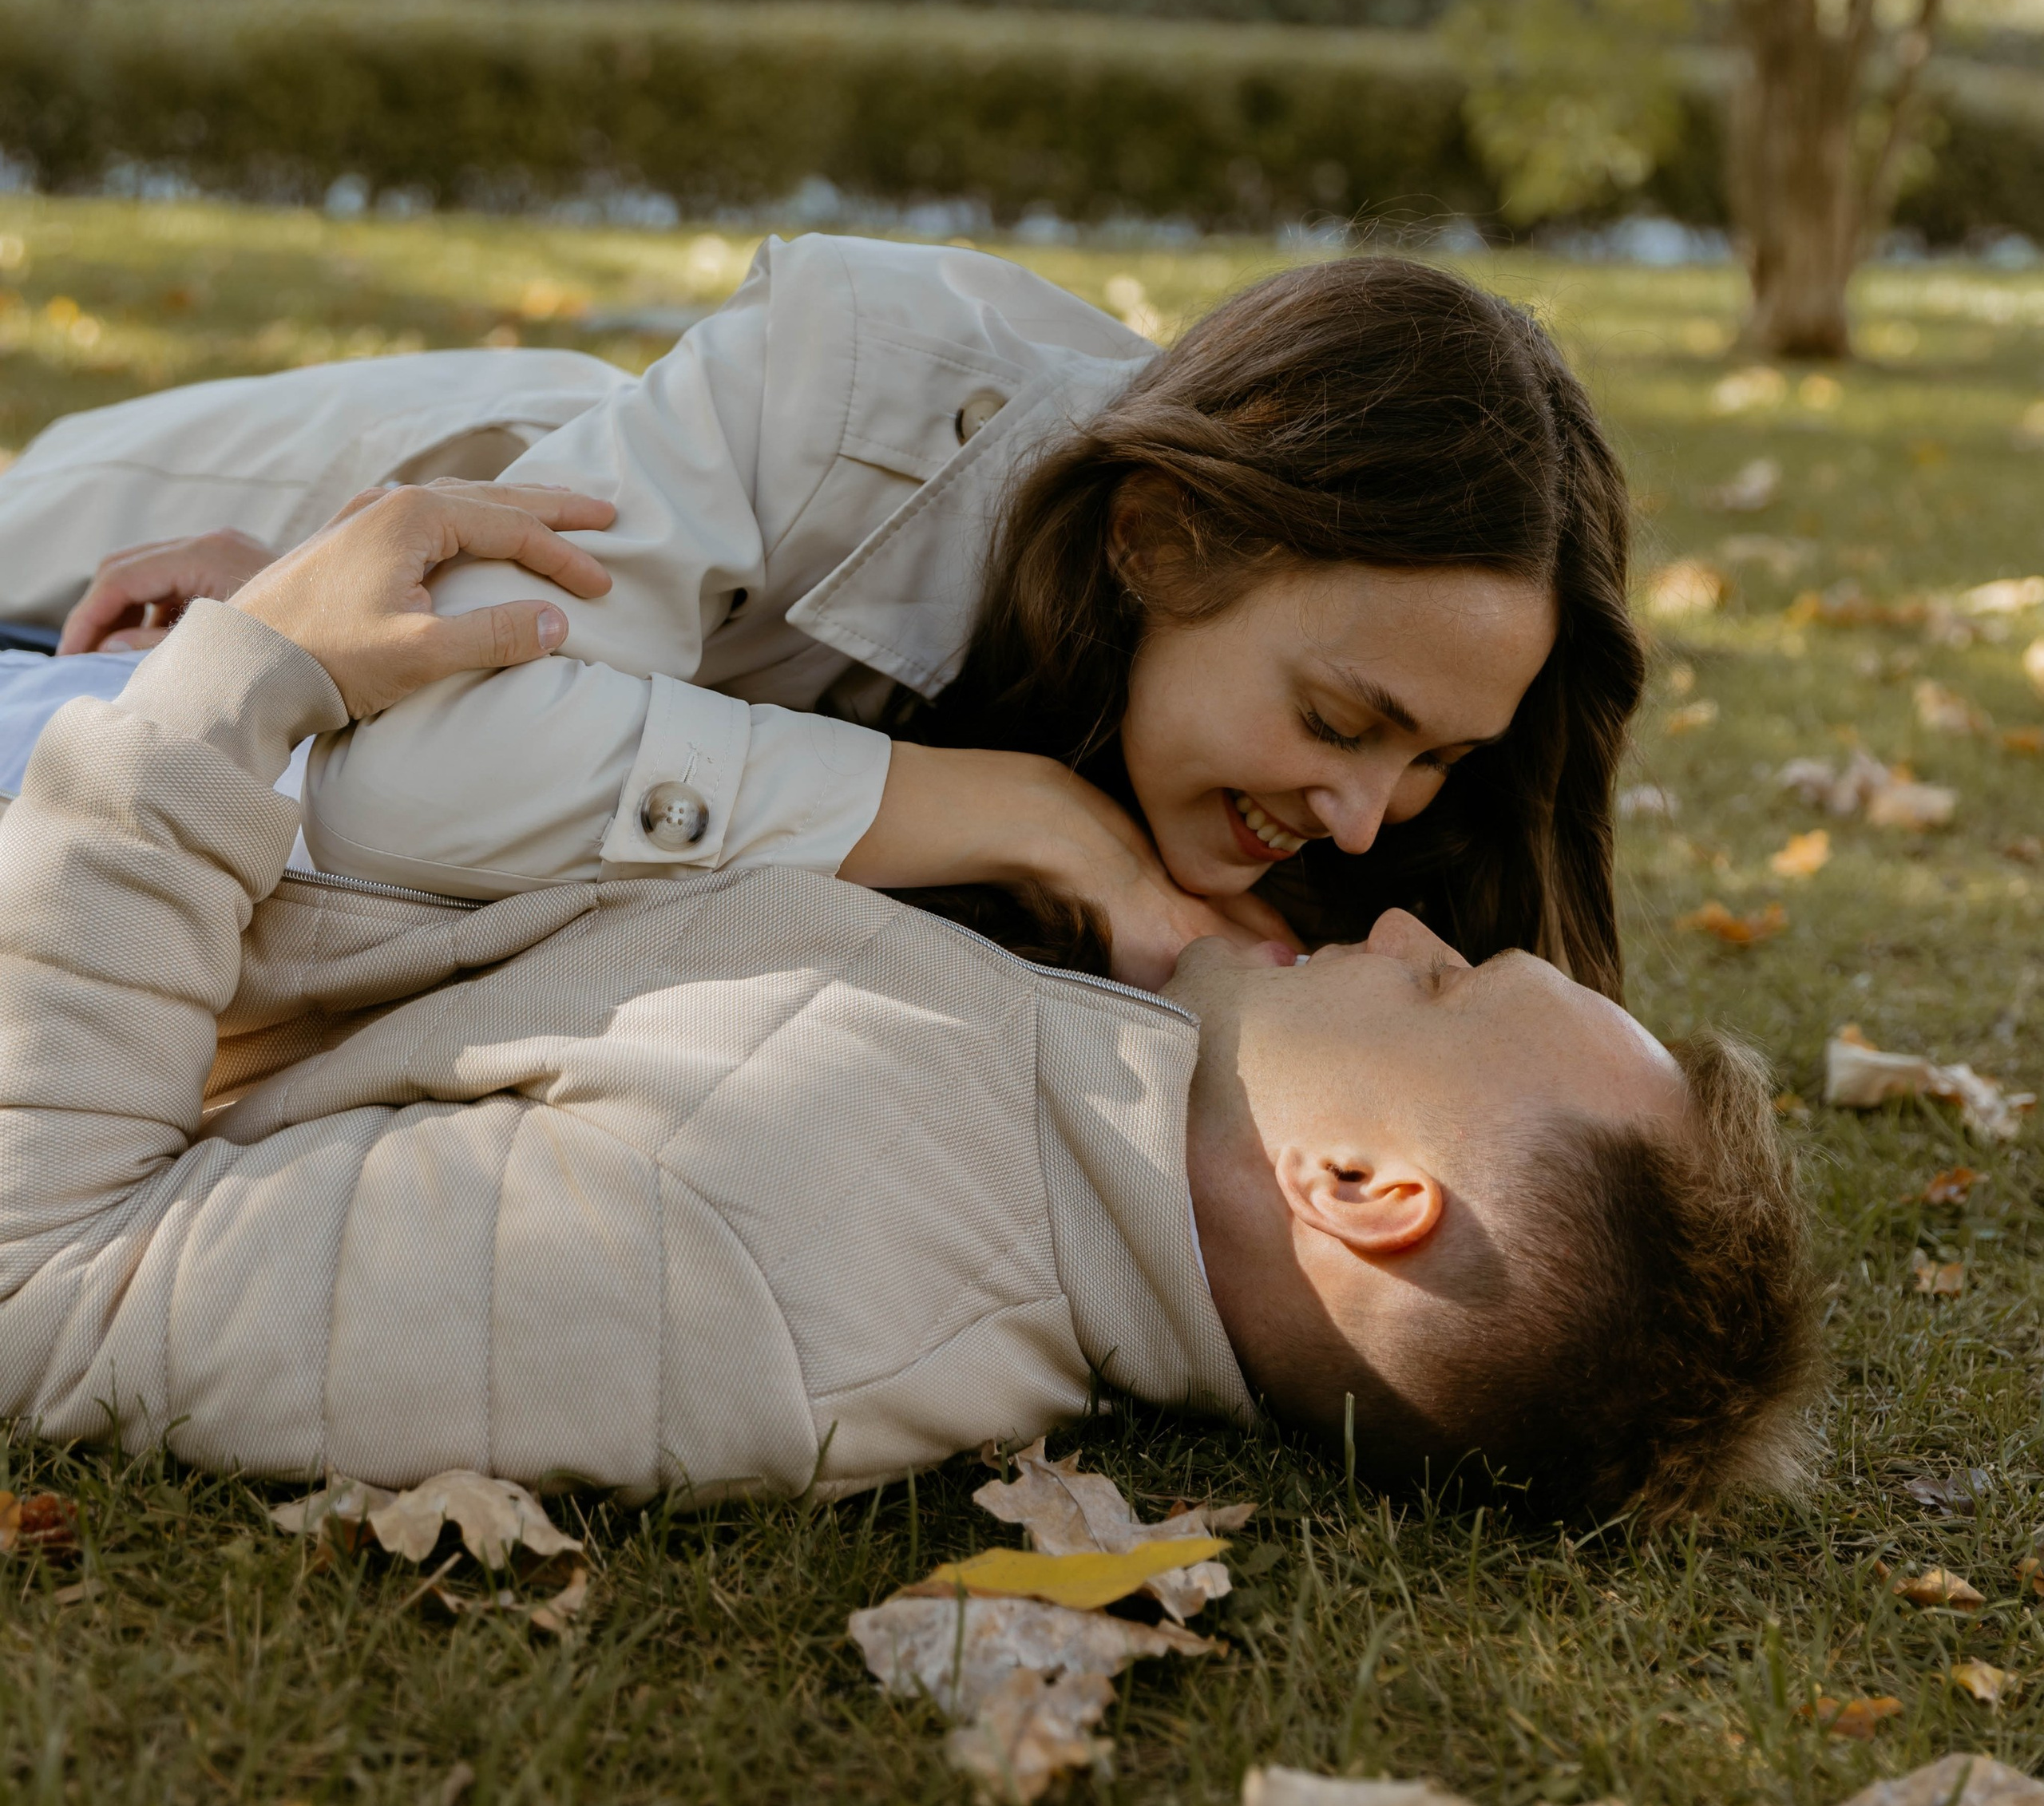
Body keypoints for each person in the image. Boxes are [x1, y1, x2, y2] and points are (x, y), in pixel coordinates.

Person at [0, 484, 1812, 1524]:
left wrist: (250, 691)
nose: (1408, 920)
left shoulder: (744, 1277)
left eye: (1443, 988)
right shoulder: (1029, 1099)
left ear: (1360, 1193)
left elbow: (45, 1280)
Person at [0, 236, 1640, 992]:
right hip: (108, 566)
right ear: (1157, 538)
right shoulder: (855, 371)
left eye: (1433, 758)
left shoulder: (1369, 797)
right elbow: (407, 789)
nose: (1364, 819)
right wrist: (1024, 819)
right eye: (1340, 725)